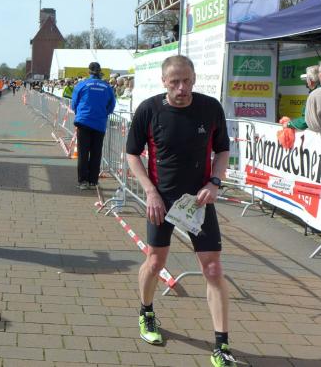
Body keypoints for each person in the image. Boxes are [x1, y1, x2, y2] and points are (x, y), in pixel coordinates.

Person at [125, 55, 235, 367]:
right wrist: (150, 192)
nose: (182, 88)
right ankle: (146, 312)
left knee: (212, 269)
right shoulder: (149, 110)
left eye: (187, 81)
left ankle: (222, 345)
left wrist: (215, 182)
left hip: (199, 201)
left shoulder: (210, 108)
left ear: (194, 79)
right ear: (164, 82)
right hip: (162, 199)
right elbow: (132, 154)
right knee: (155, 261)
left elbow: (223, 149)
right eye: (174, 82)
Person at [71, 63, 115, 190]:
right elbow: (111, 106)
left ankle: (83, 181)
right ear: (100, 71)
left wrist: (80, 113)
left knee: (83, 152)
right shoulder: (107, 87)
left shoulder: (82, 84)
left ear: (88, 71)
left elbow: (74, 104)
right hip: (99, 123)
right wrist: (102, 113)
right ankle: (93, 181)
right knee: (96, 152)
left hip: (83, 121)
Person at [287, 65, 319, 130]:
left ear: (310, 81)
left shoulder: (315, 94)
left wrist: (289, 124)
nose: (306, 83)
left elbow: (306, 120)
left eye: (307, 80)